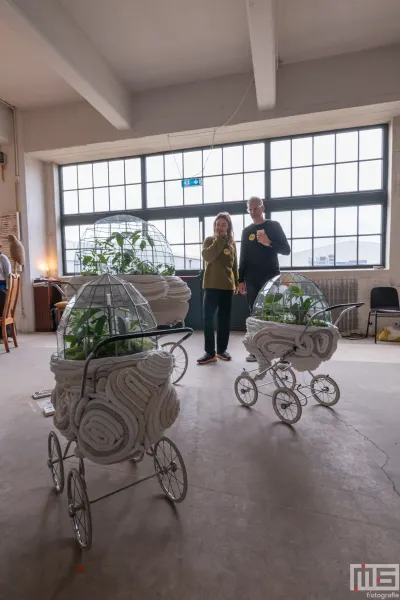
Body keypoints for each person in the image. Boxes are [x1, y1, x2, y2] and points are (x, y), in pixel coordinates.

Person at [239, 196, 291, 361]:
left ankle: (281, 352)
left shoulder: (273, 226)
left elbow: (286, 250)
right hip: (252, 279)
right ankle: (256, 350)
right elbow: (243, 257)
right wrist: (241, 280)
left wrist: (268, 242)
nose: (253, 212)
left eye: (255, 208)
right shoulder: (247, 231)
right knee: (255, 315)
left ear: (262, 208)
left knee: (275, 313)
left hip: (271, 277)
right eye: (250, 209)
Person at [198, 212, 239, 365]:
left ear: (228, 227)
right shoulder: (209, 240)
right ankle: (210, 353)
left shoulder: (232, 243)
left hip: (227, 287)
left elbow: (234, 266)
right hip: (211, 285)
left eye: (223, 224)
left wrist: (236, 282)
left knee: (224, 320)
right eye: (217, 224)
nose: (220, 227)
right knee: (208, 319)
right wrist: (219, 240)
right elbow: (208, 257)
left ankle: (222, 350)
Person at [0, 246, 12, 342]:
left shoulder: (3, 258)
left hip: (2, 289)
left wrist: (8, 290)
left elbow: (8, 275)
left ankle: (3, 336)